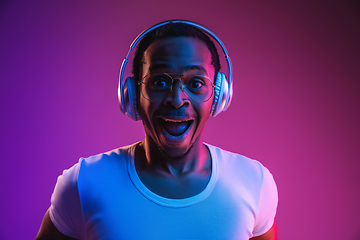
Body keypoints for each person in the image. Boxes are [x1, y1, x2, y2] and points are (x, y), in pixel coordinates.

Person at [36, 20, 278, 240]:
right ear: (131, 96)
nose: (176, 99)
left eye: (195, 83)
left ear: (218, 96)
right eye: (159, 82)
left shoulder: (254, 183)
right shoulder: (84, 183)